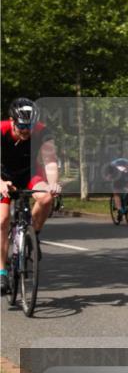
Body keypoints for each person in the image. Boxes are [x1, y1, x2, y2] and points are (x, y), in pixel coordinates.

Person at [0, 98, 60, 295]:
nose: (27, 130)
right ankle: (1, 271)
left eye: (31, 125)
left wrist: (53, 183)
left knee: (46, 197)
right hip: (3, 176)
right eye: (23, 126)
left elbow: (50, 161)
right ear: (12, 120)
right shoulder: (1, 130)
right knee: (2, 220)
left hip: (30, 174)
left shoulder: (43, 131)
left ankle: (33, 235)